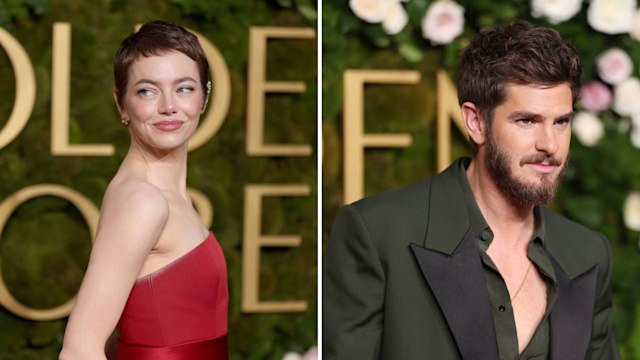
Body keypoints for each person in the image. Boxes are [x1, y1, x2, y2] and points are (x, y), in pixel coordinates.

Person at [323, 21, 620, 359]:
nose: (550, 145)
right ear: (476, 122)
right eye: (527, 121)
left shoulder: (587, 253)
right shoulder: (378, 234)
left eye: (561, 122)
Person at [59, 20, 228, 359]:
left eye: (184, 88)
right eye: (147, 90)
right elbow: (79, 350)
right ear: (121, 103)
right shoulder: (143, 200)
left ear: (204, 97)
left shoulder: (162, 194)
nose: (169, 106)